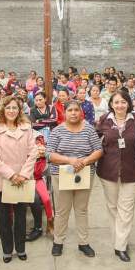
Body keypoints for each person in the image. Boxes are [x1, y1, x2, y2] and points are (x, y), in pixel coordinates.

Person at [46, 100, 103, 257]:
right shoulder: (57, 131)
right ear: (64, 113)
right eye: (70, 110)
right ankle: (58, 242)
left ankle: (83, 243)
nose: (73, 113)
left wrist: (83, 161)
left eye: (76, 110)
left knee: (81, 210)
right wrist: (70, 160)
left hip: (84, 175)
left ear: (81, 112)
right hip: (61, 175)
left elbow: (98, 150)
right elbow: (49, 154)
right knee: (62, 211)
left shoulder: (89, 130)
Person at [0, 96, 39, 263]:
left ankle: (21, 248)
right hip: (3, 180)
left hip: (23, 179)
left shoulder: (26, 127)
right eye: (8, 107)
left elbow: (33, 152)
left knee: (21, 216)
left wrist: (22, 174)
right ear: (3, 109)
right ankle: (7, 250)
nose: (11, 111)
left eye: (14, 108)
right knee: (4, 217)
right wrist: (11, 175)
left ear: (19, 110)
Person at [96, 91, 135, 262]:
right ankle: (119, 240)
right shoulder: (104, 121)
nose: (120, 105)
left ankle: (120, 246)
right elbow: (96, 142)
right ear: (111, 105)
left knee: (126, 210)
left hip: (132, 171)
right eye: (116, 102)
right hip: (109, 172)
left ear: (128, 103)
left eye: (123, 102)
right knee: (112, 208)